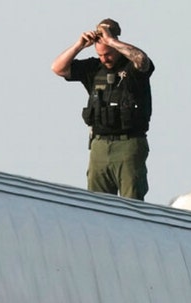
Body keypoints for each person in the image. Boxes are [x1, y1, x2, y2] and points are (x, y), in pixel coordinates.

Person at [51, 18, 154, 200]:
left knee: (132, 205)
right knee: (97, 204)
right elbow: (58, 68)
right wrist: (79, 45)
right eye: (100, 55)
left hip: (128, 145)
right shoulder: (93, 68)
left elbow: (142, 61)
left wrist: (112, 41)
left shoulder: (132, 68)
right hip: (99, 145)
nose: (104, 59)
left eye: (108, 53)